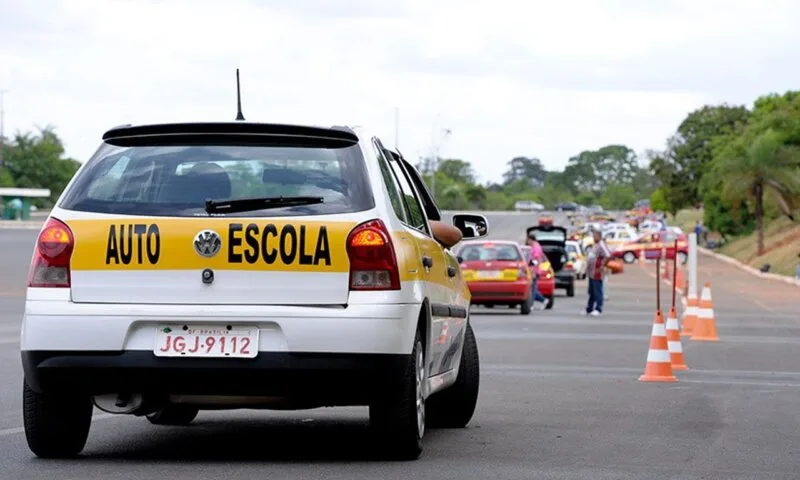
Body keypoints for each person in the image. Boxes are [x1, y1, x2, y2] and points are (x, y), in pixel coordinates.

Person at [584, 228, 612, 317]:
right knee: (591, 291)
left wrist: (603, 266)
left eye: (595, 236)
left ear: (599, 236)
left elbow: (608, 255)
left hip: (597, 272)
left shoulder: (601, 245)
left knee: (598, 291)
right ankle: (589, 308)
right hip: (591, 272)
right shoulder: (595, 245)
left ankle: (598, 308)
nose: (593, 237)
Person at [527, 234, 548, 309]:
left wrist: (533, 272)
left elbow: (536, 260)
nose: (527, 242)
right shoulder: (537, 246)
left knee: (532, 289)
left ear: (530, 239)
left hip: (534, 271)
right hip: (533, 270)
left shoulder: (535, 247)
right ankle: (543, 300)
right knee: (533, 288)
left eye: (528, 240)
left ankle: (531, 304)